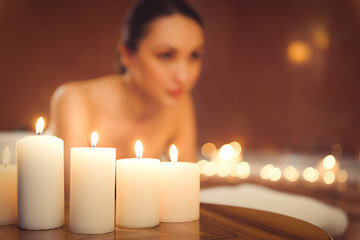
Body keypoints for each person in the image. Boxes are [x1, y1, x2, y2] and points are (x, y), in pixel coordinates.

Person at [49, 0, 204, 199]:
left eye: (194, 56)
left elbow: (185, 192)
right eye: (166, 55)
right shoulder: (75, 100)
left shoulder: (179, 103)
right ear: (127, 55)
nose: (183, 77)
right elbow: (72, 202)